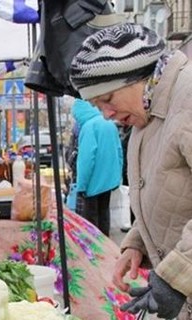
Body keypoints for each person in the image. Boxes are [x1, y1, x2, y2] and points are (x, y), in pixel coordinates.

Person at [70, 23, 192, 319]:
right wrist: (137, 243)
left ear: (138, 77)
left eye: (107, 99)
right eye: (97, 105)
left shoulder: (187, 102)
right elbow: (167, 188)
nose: (107, 114)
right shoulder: (145, 112)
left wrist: (176, 278)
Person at [71, 99, 122, 236]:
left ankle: (94, 253)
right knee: (104, 214)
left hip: (93, 183)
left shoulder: (88, 127)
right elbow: (119, 152)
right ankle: (106, 249)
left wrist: (82, 185)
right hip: (109, 181)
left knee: (91, 223)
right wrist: (117, 178)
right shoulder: (109, 124)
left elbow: (86, 160)